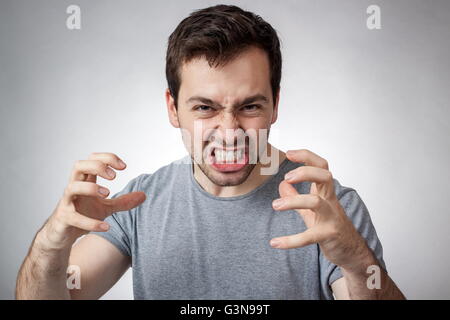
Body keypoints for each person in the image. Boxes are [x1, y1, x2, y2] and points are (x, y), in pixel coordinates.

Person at [16, 4, 405, 300]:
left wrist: (356, 261)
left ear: (275, 104)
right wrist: (53, 240)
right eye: (205, 108)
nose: (230, 131)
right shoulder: (138, 204)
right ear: (173, 108)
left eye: (250, 106)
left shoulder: (329, 208)